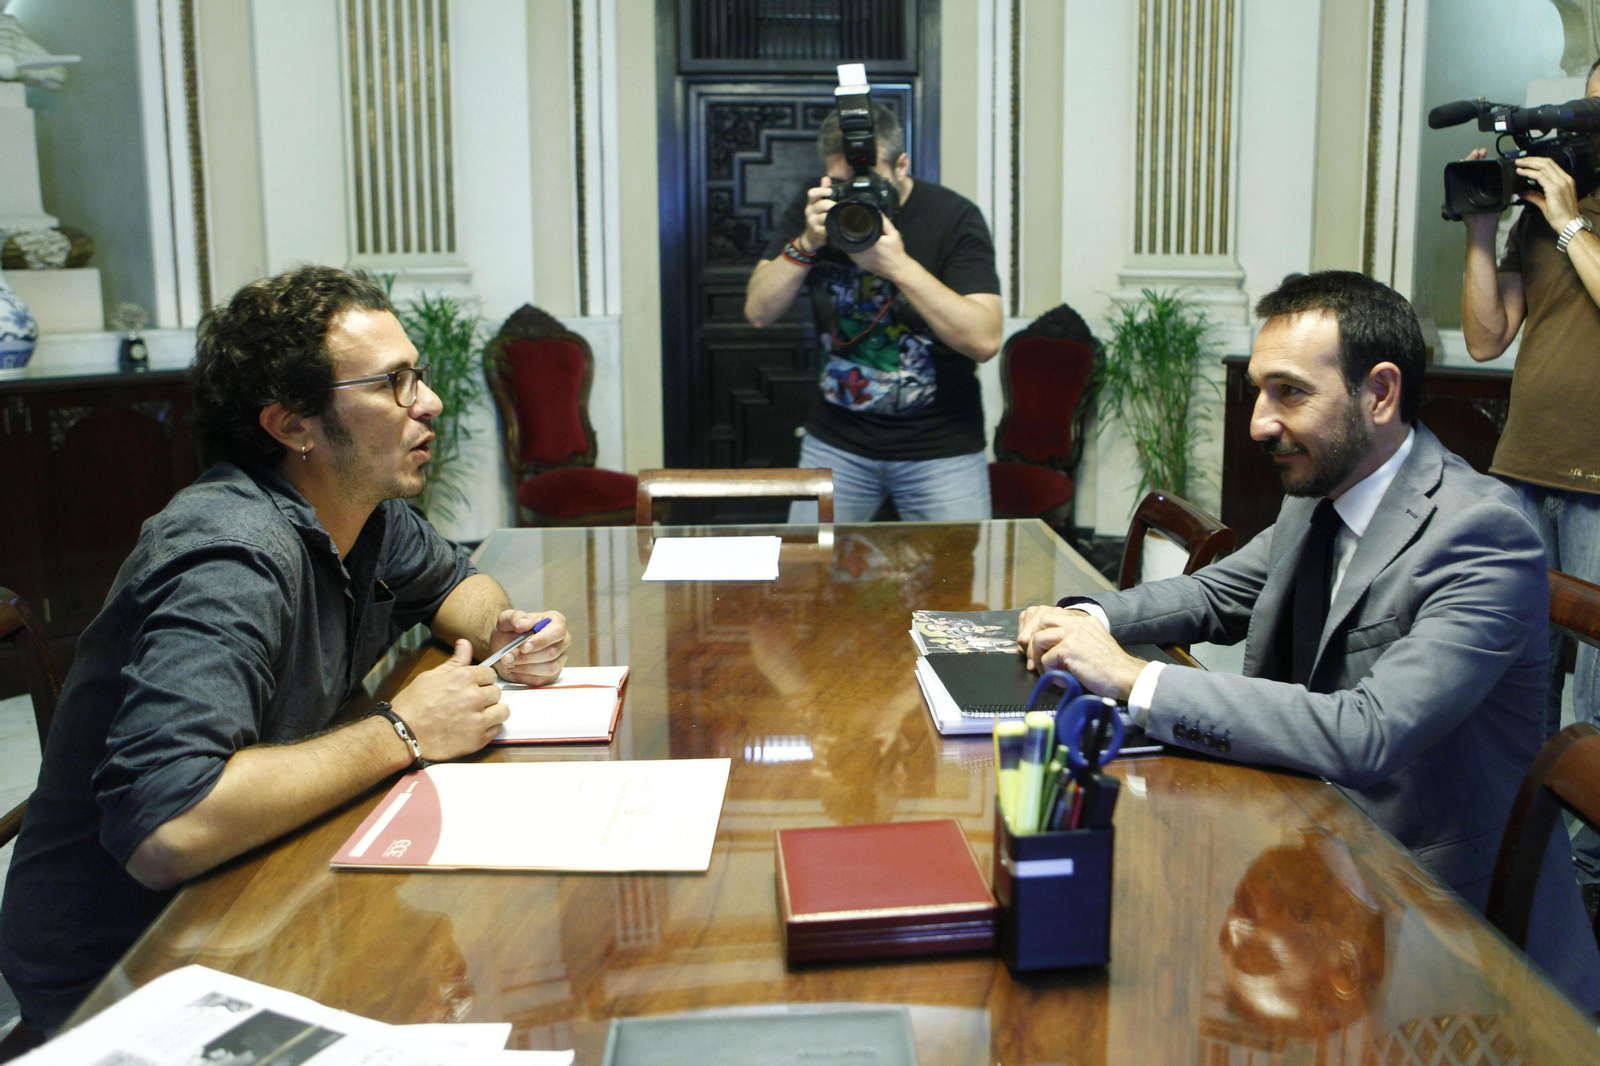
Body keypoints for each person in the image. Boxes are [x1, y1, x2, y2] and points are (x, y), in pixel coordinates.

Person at [0, 267, 571, 1035]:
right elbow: (168, 826)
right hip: (130, 964)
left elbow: (457, 585)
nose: (429, 401)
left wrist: (501, 628)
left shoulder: (360, 506)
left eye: (418, 375)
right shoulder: (228, 555)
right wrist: (403, 731)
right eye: (394, 383)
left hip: (264, 891)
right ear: (293, 425)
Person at [1015, 271, 1600, 1006]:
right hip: (1307, 844)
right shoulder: (1324, 488)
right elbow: (1216, 593)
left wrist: (1133, 678)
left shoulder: (1482, 534)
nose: (1260, 423)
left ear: (1379, 393)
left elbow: (1367, 732)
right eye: (1260, 392)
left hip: (1444, 928)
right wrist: (1085, 619)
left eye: (1289, 393)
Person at [1459, 59, 1600, 913]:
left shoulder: (1567, 217)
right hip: (1522, 468)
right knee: (1519, 670)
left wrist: (1573, 222)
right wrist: (1482, 232)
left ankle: (1588, 878)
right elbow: (1486, 338)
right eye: (1586, 109)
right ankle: (1520, 849)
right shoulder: (1544, 220)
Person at [744, 102, 1003, 522]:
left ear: (902, 165)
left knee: (955, 566)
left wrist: (899, 267)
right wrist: (806, 244)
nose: (854, 195)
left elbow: (985, 340)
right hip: (836, 443)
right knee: (806, 562)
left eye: (868, 182)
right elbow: (758, 311)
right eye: (841, 183)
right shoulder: (817, 211)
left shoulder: (953, 217)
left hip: (941, 448)